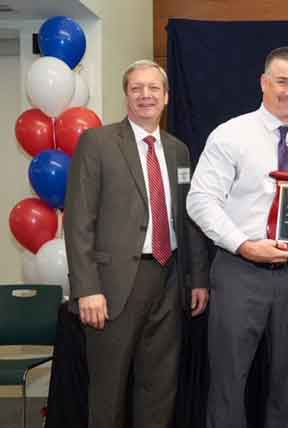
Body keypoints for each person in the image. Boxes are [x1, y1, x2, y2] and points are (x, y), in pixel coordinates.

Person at [186, 46, 288, 428]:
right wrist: (244, 244)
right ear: (263, 83)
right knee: (228, 381)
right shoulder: (231, 135)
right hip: (240, 272)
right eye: (282, 81)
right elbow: (200, 200)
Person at [64, 60, 210, 428]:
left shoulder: (179, 151)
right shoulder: (96, 142)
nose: (146, 95)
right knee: (108, 390)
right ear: (126, 94)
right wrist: (87, 289)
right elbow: (79, 219)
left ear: (166, 97)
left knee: (159, 388)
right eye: (137, 88)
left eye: (153, 89)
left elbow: (187, 219)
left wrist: (198, 279)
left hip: (170, 279)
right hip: (112, 288)